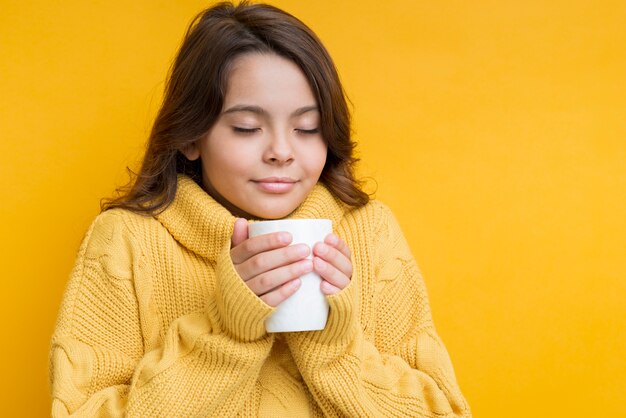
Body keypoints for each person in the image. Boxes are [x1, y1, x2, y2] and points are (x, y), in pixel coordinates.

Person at [49, 1, 471, 416]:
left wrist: (331, 343)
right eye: (247, 128)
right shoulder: (127, 240)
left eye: (307, 128)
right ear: (190, 136)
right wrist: (227, 329)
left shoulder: (370, 231)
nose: (282, 152)